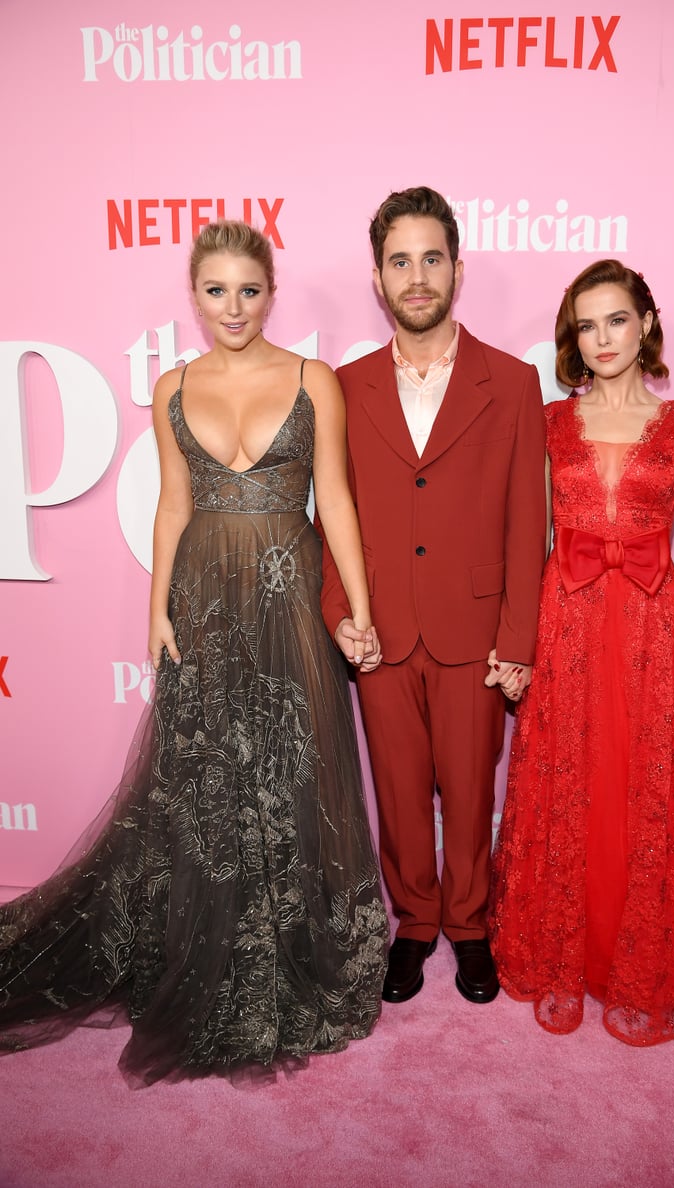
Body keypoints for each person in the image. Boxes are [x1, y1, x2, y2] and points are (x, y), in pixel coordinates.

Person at [0, 220, 389, 1084]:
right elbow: (173, 507)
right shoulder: (171, 386)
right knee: (207, 782)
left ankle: (297, 945)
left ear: (271, 292)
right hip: (204, 604)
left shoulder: (312, 379)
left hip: (292, 602)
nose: (234, 306)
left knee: (296, 773)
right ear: (195, 295)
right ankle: (203, 940)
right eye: (216, 290)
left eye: (249, 289)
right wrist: (155, 614)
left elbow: (339, 503)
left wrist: (357, 609)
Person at [489, 258, 674, 1053]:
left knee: (645, 787)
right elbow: (531, 542)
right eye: (586, 326)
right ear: (573, 339)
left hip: (656, 631)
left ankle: (635, 955)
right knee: (572, 783)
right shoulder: (550, 424)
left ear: (646, 324)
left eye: (615, 320)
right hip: (569, 626)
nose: (602, 339)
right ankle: (572, 951)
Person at [320, 186, 546, 1005]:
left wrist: (518, 641)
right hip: (379, 630)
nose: (417, 277)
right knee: (400, 791)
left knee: (472, 787)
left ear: (458, 268)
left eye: (431, 259)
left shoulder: (515, 383)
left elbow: (531, 526)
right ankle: (413, 925)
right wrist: (342, 614)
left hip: (477, 630)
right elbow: (329, 515)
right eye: (400, 261)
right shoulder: (341, 387)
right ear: (378, 279)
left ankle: (472, 927)